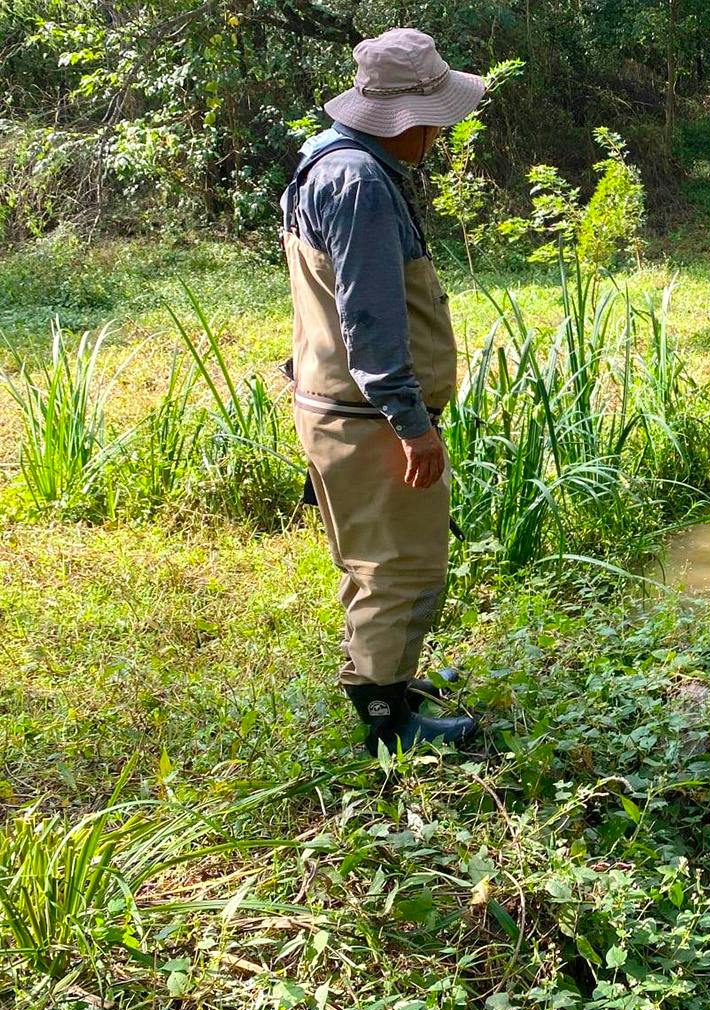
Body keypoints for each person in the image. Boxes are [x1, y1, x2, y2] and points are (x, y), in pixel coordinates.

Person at [281, 28, 486, 756]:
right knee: (398, 570)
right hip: (368, 418)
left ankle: (391, 682)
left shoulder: (330, 161)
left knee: (381, 561)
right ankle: (385, 724)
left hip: (342, 407)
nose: (437, 132)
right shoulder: (360, 183)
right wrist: (411, 422)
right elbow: (369, 318)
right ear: (403, 119)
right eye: (432, 117)